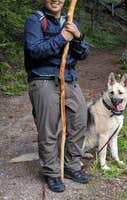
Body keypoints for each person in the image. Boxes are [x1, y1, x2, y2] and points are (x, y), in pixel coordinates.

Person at [24, 0, 90, 193]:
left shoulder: (69, 20)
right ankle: (52, 172)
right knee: (48, 127)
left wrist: (77, 37)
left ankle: (71, 166)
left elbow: (83, 54)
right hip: (43, 79)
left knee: (79, 120)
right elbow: (34, 51)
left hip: (68, 78)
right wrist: (62, 37)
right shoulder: (35, 20)